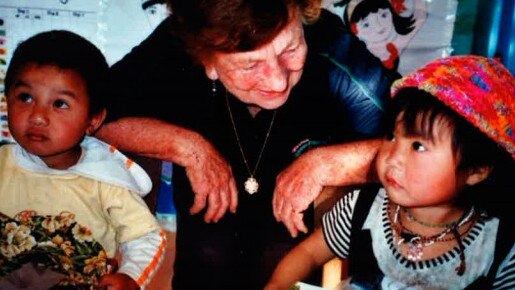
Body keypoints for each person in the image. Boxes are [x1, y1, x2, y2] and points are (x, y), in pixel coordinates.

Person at [96, 0, 383, 289]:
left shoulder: (331, 44)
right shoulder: (179, 42)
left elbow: (418, 138)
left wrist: (324, 164)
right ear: (207, 61)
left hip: (295, 271)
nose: (278, 81)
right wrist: (187, 148)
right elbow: (88, 116)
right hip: (200, 268)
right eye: (250, 64)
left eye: (291, 50)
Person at [264, 55, 515, 290]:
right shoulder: (361, 211)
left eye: (418, 146)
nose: (393, 158)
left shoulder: (499, 247)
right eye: (392, 136)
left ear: (476, 170)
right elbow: (307, 255)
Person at [0, 30, 166, 289]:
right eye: (26, 97)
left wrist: (131, 276)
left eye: (60, 104)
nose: (38, 116)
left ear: (93, 120)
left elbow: (144, 236)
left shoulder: (106, 179)